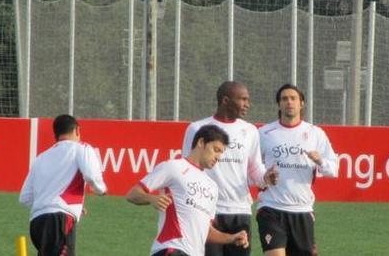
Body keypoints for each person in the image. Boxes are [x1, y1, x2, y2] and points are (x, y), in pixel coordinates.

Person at [181, 81, 278, 256]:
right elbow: (188, 169)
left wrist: (266, 177)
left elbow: (255, 170)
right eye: (243, 99)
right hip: (207, 211)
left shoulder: (249, 131)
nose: (247, 104)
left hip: (240, 211)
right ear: (225, 100)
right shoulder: (197, 128)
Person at [128, 124, 250, 256]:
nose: (218, 157)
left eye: (221, 153)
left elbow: (206, 231)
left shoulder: (212, 187)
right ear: (201, 142)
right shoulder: (173, 167)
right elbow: (132, 194)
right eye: (216, 150)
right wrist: (151, 198)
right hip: (172, 249)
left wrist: (231, 238)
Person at [256, 84, 338, 256]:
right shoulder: (264, 133)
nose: (289, 102)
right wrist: (264, 175)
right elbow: (252, 166)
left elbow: (334, 169)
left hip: (302, 210)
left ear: (302, 103)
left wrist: (320, 160)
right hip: (271, 207)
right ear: (279, 104)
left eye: (293, 98)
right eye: (284, 99)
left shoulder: (315, 133)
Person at [19, 114, 107, 256]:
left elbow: (24, 198)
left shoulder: (41, 157)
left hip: (36, 223)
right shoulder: (81, 148)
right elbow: (91, 176)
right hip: (59, 221)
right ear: (77, 130)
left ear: (56, 134)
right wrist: (101, 190)